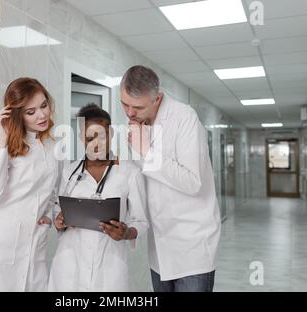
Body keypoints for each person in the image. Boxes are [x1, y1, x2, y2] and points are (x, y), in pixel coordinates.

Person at [120, 65, 221, 292]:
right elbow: (140, 179)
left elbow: (192, 181)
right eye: (124, 104)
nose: (129, 113)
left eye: (137, 107)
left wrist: (146, 151)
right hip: (160, 247)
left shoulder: (185, 118)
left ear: (157, 99)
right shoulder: (139, 126)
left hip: (192, 247)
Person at [0, 77, 59, 292]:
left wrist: (52, 215)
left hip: (35, 241)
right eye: (31, 111)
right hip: (1, 242)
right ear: (17, 114)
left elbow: (52, 192)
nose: (42, 114)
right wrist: (3, 142)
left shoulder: (50, 144)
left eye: (43, 105)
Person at [48, 104, 148, 292]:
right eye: (89, 138)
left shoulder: (129, 173)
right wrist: (59, 220)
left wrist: (127, 233)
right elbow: (56, 210)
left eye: (101, 136)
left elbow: (141, 221)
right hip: (69, 266)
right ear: (81, 139)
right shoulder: (69, 172)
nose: (96, 143)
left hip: (110, 267)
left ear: (110, 134)